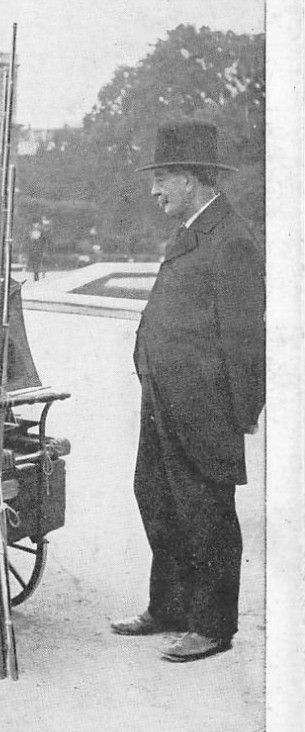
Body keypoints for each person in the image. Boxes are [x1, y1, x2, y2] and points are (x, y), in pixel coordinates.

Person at [111, 120, 265, 661]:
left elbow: (247, 339)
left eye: (162, 179)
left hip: (204, 408)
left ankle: (213, 626)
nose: (154, 191)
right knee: (155, 496)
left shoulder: (232, 240)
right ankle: (170, 606)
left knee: (206, 511)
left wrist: (240, 414)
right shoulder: (194, 231)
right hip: (166, 398)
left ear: (192, 180)